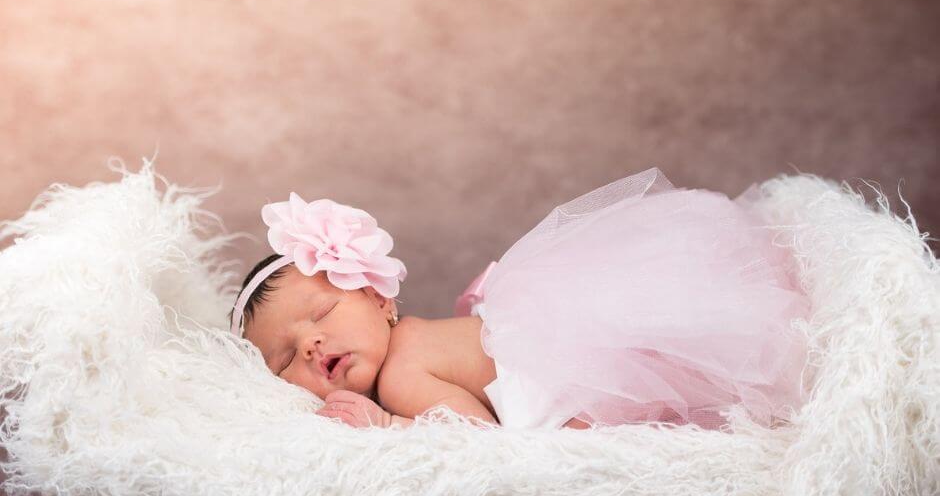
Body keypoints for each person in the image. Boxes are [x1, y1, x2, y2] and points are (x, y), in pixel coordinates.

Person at [230, 167, 811, 431]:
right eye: (283, 360)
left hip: (569, 384)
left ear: (380, 299)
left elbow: (475, 441)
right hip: (568, 350)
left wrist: (387, 426)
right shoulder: (417, 343)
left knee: (642, 411)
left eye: (323, 314)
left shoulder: (404, 374)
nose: (309, 344)